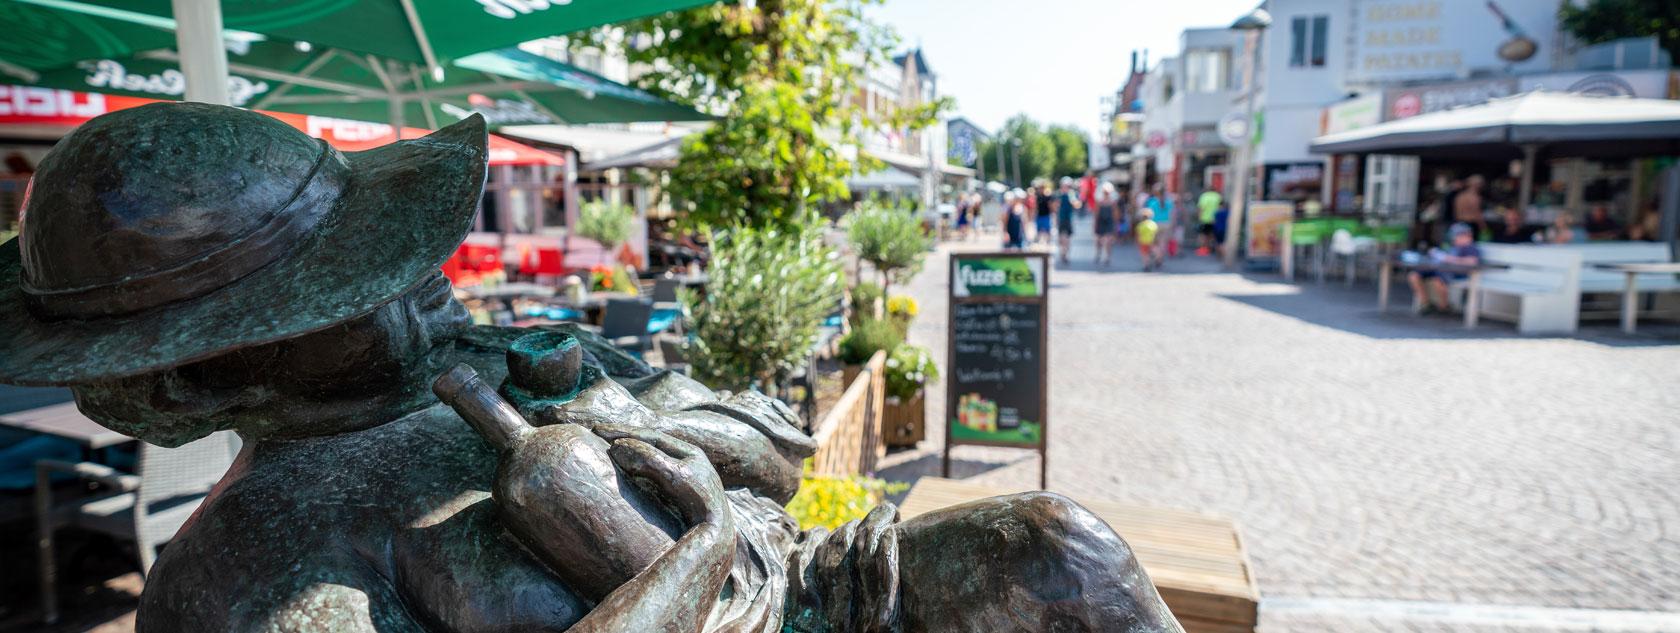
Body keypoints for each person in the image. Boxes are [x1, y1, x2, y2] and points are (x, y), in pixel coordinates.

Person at [0, 103, 1181, 632]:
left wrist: (632, 415)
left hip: (822, 590)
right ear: (191, 381)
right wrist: (692, 561)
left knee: (1056, 549)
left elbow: (779, 451)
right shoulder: (235, 582)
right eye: (356, 287)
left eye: (395, 250)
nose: (425, 280)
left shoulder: (499, 357)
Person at [1407, 223, 1482, 314]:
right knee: (1414, 275)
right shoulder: (1452, 246)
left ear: (1467, 235)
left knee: (1438, 280)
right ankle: (1425, 303)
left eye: (1458, 235)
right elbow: (1442, 255)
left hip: (1456, 273)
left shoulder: (1471, 247)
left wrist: (1450, 259)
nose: (1455, 238)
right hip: (1438, 269)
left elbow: (1473, 261)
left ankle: (1444, 306)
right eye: (1455, 236)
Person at [1094, 182, 1120, 267]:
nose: (1106, 194)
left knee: (1108, 241)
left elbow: (1115, 215)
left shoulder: (1113, 203)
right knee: (1099, 240)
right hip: (1101, 222)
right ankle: (1098, 253)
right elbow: (1096, 214)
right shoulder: (1099, 202)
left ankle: (1107, 256)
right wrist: (1095, 224)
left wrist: (1116, 225)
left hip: (1109, 222)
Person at [1056, 177, 1080, 263]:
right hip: (1061, 218)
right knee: (1061, 239)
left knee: (1067, 238)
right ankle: (1062, 252)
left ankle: (1065, 254)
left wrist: (1073, 200)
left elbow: (1077, 205)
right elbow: (1055, 207)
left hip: (1068, 219)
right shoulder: (1059, 194)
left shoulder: (1072, 194)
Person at [1196, 188, 1222, 256]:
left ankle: (1204, 249)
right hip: (1215, 219)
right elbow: (1220, 207)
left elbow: (1201, 208)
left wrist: (1199, 217)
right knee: (1213, 235)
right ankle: (1213, 248)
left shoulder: (1204, 196)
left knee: (1204, 235)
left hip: (1205, 219)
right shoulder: (1218, 196)